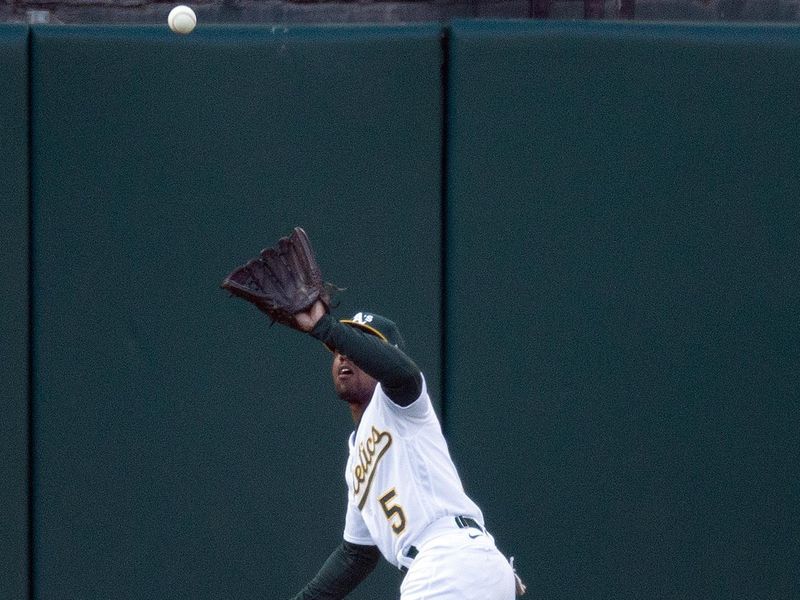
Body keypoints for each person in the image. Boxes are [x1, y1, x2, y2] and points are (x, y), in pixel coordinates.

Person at [288, 299, 521, 600]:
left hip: (446, 561)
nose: (344, 353)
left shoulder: (401, 403)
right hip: (468, 566)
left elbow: (402, 374)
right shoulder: (355, 461)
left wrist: (326, 328)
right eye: (337, 351)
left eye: (360, 345)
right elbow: (355, 556)